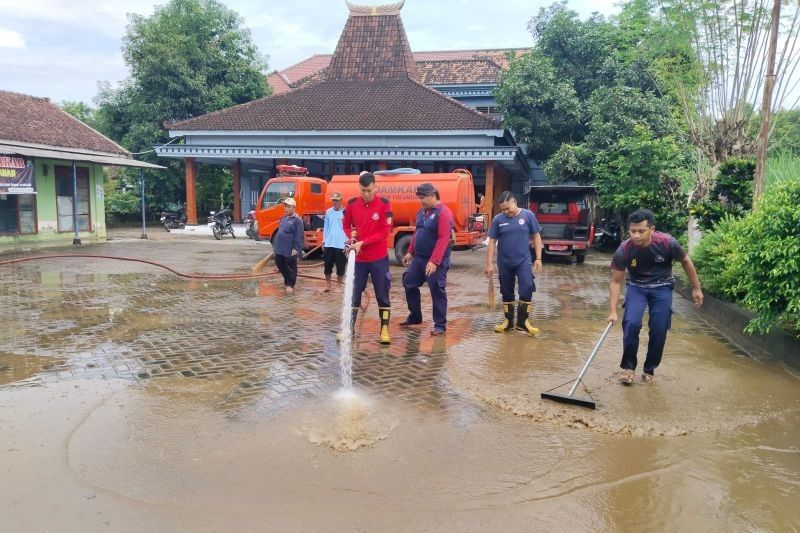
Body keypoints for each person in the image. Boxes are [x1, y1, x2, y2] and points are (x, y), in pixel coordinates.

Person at [608, 209, 703, 384]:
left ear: (652, 229)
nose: (636, 235)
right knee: (631, 323)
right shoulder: (625, 249)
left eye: (641, 231)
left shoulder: (667, 242)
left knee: (659, 328)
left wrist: (696, 288)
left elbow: (686, 262)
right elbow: (615, 281)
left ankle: (649, 369)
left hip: (662, 287)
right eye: (632, 231)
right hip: (637, 287)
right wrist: (613, 311)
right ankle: (629, 368)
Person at [341, 172, 393, 344]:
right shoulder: (352, 204)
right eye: (363, 190)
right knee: (355, 292)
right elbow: (346, 225)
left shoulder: (384, 205)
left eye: (369, 190)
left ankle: (384, 329)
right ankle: (350, 329)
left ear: (375, 187)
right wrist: (351, 237)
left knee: (382, 293)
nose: (366, 194)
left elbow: (384, 233)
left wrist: (362, 242)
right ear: (359, 188)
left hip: (378, 258)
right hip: (360, 260)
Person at [484, 191, 543, 334]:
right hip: (504, 262)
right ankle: (508, 322)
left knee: (527, 287)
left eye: (507, 208)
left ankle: (523, 322)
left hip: (523, 261)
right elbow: (492, 241)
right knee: (506, 290)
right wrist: (489, 263)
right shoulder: (498, 219)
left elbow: (536, 236)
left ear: (514, 202)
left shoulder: (528, 216)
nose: (506, 212)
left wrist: (538, 258)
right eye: (502, 209)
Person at [400, 183, 454, 336]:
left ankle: (440, 325)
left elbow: (444, 238)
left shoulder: (443, 213)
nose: (420, 201)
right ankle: (415, 316)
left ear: (432, 195)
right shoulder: (422, 211)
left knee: (437, 290)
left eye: (423, 198)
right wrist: (410, 251)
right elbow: (418, 231)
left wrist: (434, 261)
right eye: (419, 198)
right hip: (419, 258)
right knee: (408, 281)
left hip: (437, 260)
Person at [273, 197, 303, 294]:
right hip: (280, 247)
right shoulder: (283, 218)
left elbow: (299, 235)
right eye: (285, 206)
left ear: (294, 207)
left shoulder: (297, 220)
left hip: (290, 248)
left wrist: (296, 249)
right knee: (279, 263)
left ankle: (290, 284)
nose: (286, 208)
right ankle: (287, 281)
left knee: (291, 266)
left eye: (288, 207)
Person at [322, 191, 347, 292]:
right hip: (329, 243)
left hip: (341, 244)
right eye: (333, 200)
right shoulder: (328, 212)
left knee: (340, 266)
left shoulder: (346, 212)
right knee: (327, 265)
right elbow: (326, 228)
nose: (334, 202)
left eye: (336, 200)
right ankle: (328, 284)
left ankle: (339, 286)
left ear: (341, 200)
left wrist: (348, 244)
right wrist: (324, 241)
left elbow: (349, 229)